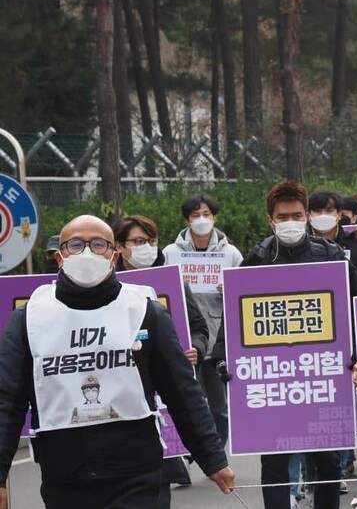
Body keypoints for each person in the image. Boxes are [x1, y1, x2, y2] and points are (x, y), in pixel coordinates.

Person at [0, 215, 233, 508]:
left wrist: (212, 458)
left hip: (136, 473)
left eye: (98, 244)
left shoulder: (144, 311)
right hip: (65, 476)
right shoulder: (30, 318)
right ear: (60, 257)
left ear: (113, 254)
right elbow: (7, 402)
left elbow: (182, 390)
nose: (87, 252)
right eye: (75, 244)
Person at [242, 182, 350, 509]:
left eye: (297, 215)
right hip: (275, 382)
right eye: (282, 216)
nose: (290, 221)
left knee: (328, 462)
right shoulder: (257, 259)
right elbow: (238, 317)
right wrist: (224, 359)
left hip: (321, 379)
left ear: (306, 216)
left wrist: (356, 356)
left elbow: (351, 303)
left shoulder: (330, 254)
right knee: (274, 464)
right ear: (270, 220)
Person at [113, 214, 208, 502]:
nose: (147, 247)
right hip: (119, 395)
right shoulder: (103, 285)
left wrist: (196, 350)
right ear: (119, 246)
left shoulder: (171, 280)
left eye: (151, 241)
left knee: (155, 485)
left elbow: (199, 328)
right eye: (138, 241)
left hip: (162, 393)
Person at [162, 194, 244, 447]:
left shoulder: (230, 253)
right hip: (184, 338)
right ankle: (187, 449)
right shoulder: (170, 253)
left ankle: (217, 449)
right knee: (186, 399)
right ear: (187, 220)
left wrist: (230, 287)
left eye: (206, 214)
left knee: (219, 405)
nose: (201, 220)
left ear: (215, 217)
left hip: (218, 337)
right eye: (196, 215)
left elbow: (245, 291)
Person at [308, 190, 357, 296]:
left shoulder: (356, 244)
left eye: (329, 211)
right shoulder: (300, 245)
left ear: (339, 214)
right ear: (308, 215)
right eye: (317, 211)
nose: (323, 215)